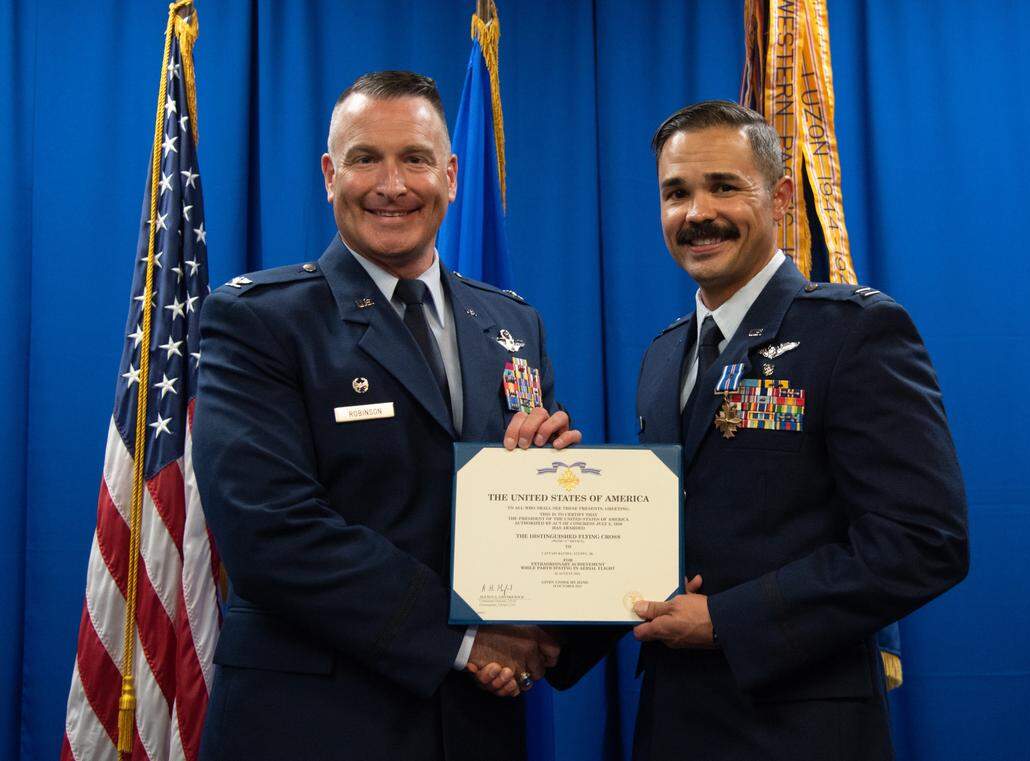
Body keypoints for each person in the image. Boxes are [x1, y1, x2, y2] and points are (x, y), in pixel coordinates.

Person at [550, 100, 969, 760]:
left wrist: (728, 620)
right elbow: (657, 547)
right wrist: (535, 639)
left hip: (802, 729)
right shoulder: (664, 358)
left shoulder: (854, 333)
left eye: (723, 186)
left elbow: (924, 541)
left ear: (778, 196)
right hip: (674, 722)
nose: (697, 213)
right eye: (676, 192)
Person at [194, 71, 576, 761]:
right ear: (328, 174)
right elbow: (270, 531)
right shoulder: (257, 321)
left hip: (473, 727)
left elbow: (519, 525)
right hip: (313, 725)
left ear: (452, 175)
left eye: (416, 159)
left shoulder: (512, 323)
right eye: (366, 157)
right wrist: (464, 639)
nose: (391, 185)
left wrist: (553, 486)